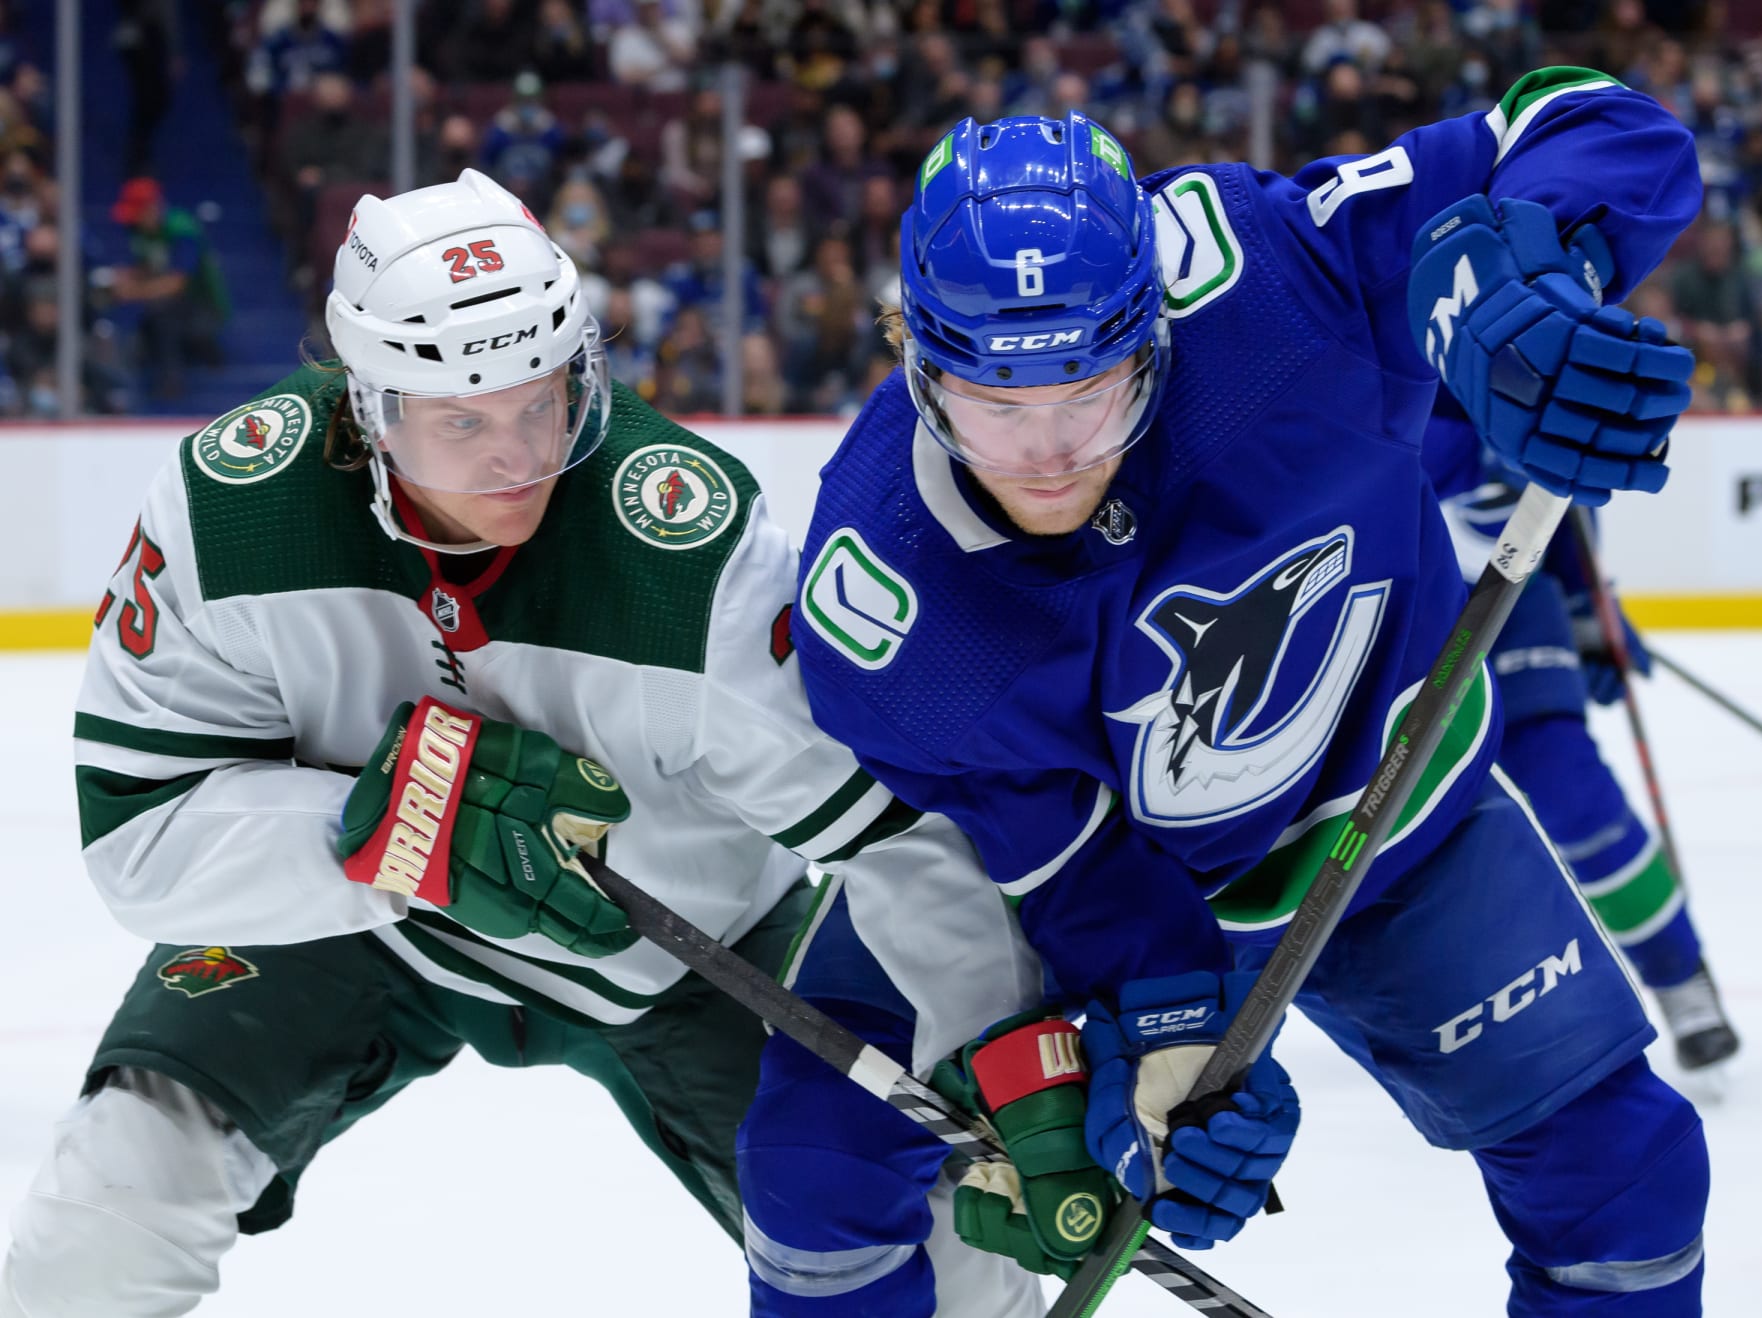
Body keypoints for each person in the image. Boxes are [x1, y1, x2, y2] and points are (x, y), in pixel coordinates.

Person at [0, 169, 1044, 1318]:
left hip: (682, 949)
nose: (514, 459)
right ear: (367, 406)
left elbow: (891, 838)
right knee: (102, 1215)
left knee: (945, 1270)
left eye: (541, 403)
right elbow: (139, 834)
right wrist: (386, 831)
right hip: (358, 932)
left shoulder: (689, 556)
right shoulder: (230, 512)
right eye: (461, 423)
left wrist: (1015, 1056)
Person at [779, 74, 1712, 1315]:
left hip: (1384, 808)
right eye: (997, 409)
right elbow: (1063, 865)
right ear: (917, 363)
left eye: (1091, 393)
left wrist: (1524, 269)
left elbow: (1603, 123)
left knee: (1624, 1174)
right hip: (1079, 878)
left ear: (1157, 331)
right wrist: (1165, 1022)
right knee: (814, 1153)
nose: (1050, 454)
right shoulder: (887, 597)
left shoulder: (1272, 280)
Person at [1426, 394, 1740, 1071]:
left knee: (1572, 794)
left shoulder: (1508, 327)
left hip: (1512, 602)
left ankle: (1678, 974)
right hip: (1396, 606)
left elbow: (1560, 493)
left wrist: (1587, 606)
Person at [106, 176, 231, 402]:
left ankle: (175, 377)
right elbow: (150, 266)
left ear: (152, 208)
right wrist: (125, 276)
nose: (133, 220)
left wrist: (132, 291)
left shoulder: (181, 229)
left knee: (163, 314)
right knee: (154, 318)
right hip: (169, 307)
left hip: (202, 308)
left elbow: (176, 283)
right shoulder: (139, 231)